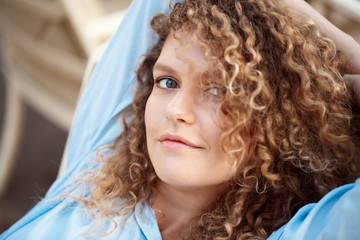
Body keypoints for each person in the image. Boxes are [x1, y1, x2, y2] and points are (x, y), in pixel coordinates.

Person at [1, 0, 360, 239]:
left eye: (219, 90)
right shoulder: (97, 170)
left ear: (277, 122)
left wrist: (328, 81)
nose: (176, 110)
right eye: (167, 82)